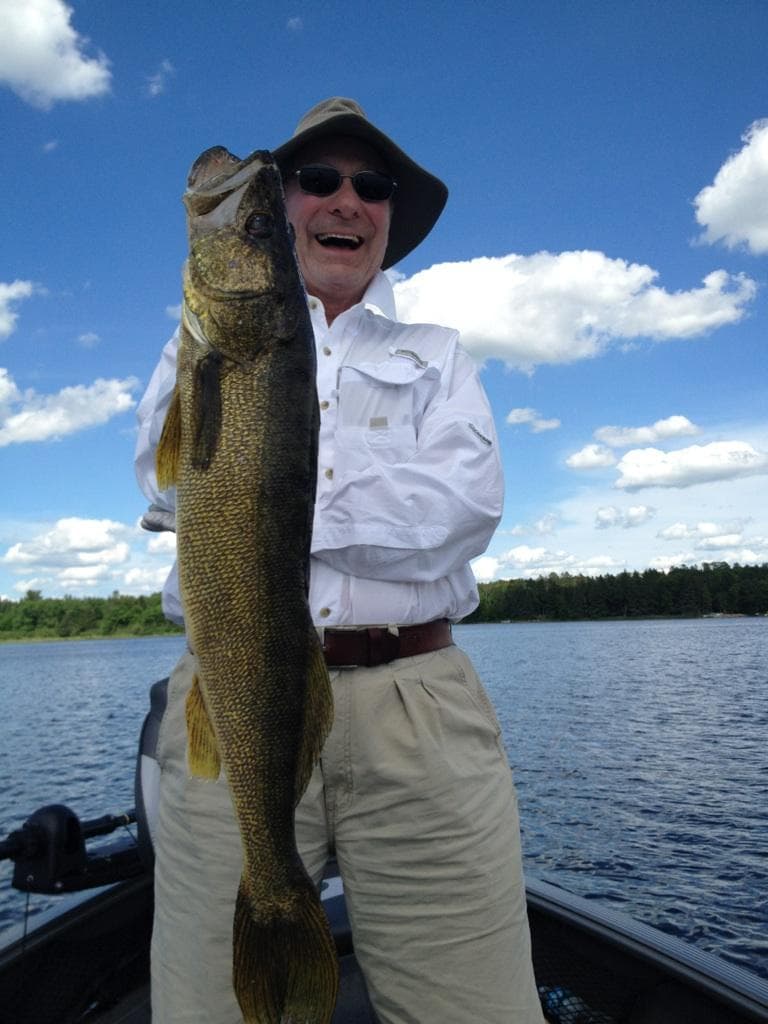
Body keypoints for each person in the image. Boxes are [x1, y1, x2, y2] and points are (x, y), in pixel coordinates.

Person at [135, 97, 545, 1024]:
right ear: (282, 217)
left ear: (391, 218)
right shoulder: (197, 348)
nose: (345, 200)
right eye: (315, 180)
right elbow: (159, 487)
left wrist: (270, 492)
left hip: (416, 707)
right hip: (229, 695)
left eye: (372, 185)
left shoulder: (438, 358)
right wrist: (297, 482)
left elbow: (463, 509)